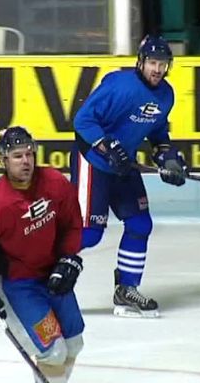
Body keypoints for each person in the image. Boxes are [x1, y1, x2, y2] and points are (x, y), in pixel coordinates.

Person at [0, 126, 84, 383]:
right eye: (18, 156)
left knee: (74, 343)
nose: (26, 161)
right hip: (17, 285)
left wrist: (69, 257)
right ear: (3, 159)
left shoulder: (54, 183)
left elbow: (72, 223)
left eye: (30, 154)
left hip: (52, 275)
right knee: (53, 352)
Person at [70, 35, 188, 318]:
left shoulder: (166, 95)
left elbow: (158, 132)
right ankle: (34, 274)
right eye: (152, 62)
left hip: (123, 167)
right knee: (89, 234)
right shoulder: (119, 86)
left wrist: (166, 155)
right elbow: (82, 120)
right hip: (93, 162)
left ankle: (126, 289)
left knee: (140, 224)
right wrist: (106, 145)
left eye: (163, 64)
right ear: (141, 61)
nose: (157, 69)